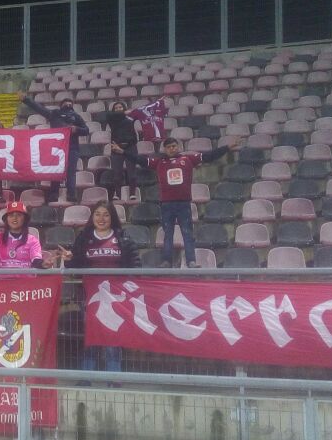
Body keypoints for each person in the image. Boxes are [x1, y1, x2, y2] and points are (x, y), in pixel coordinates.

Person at [113, 137, 242, 268]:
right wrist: (123, 152)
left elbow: (209, 156)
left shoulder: (188, 159)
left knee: (187, 234)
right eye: (169, 147)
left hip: (183, 204)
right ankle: (167, 261)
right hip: (166, 205)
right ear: (165, 149)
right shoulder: (159, 162)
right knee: (168, 235)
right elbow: (139, 159)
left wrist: (227, 147)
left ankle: (191, 261)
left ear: (178, 147)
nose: (172, 149)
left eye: (174, 146)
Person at [58, 201, 140, 372]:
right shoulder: (84, 238)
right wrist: (69, 259)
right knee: (91, 337)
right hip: (91, 297)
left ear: (112, 217)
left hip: (116, 298)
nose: (101, 218)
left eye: (106, 215)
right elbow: (75, 266)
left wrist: (127, 286)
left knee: (113, 338)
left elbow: (135, 264)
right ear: (92, 217)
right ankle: (87, 377)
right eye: (97, 214)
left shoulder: (123, 238)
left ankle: (114, 378)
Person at [17, 91, 90, 202]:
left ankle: (71, 194)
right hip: (57, 147)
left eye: (70, 103)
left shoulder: (77, 117)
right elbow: (39, 108)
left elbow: (86, 131)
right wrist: (26, 99)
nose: (68, 104)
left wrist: (77, 129)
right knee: (56, 170)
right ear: (61, 105)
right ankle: (54, 194)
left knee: (71, 172)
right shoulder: (54, 114)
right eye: (66, 102)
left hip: (72, 147)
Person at [106, 101, 140, 201]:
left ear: (124, 108)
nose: (118, 109)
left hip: (130, 147)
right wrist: (124, 113)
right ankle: (117, 194)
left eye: (120, 107)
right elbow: (107, 115)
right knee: (117, 173)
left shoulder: (130, 118)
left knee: (132, 173)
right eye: (116, 108)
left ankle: (132, 193)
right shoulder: (111, 119)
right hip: (116, 147)